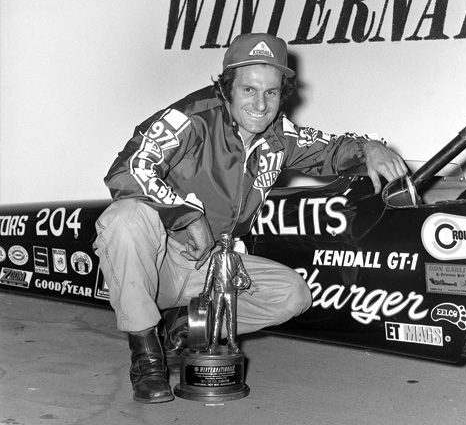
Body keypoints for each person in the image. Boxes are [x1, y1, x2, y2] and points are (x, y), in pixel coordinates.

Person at [93, 33, 408, 404]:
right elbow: (128, 169)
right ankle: (147, 359)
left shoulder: (279, 135)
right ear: (227, 87)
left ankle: (184, 327)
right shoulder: (189, 118)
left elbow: (333, 150)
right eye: (249, 90)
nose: (260, 104)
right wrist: (186, 216)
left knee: (292, 295)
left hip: (212, 265)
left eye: (271, 92)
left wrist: (368, 148)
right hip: (158, 259)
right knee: (125, 218)